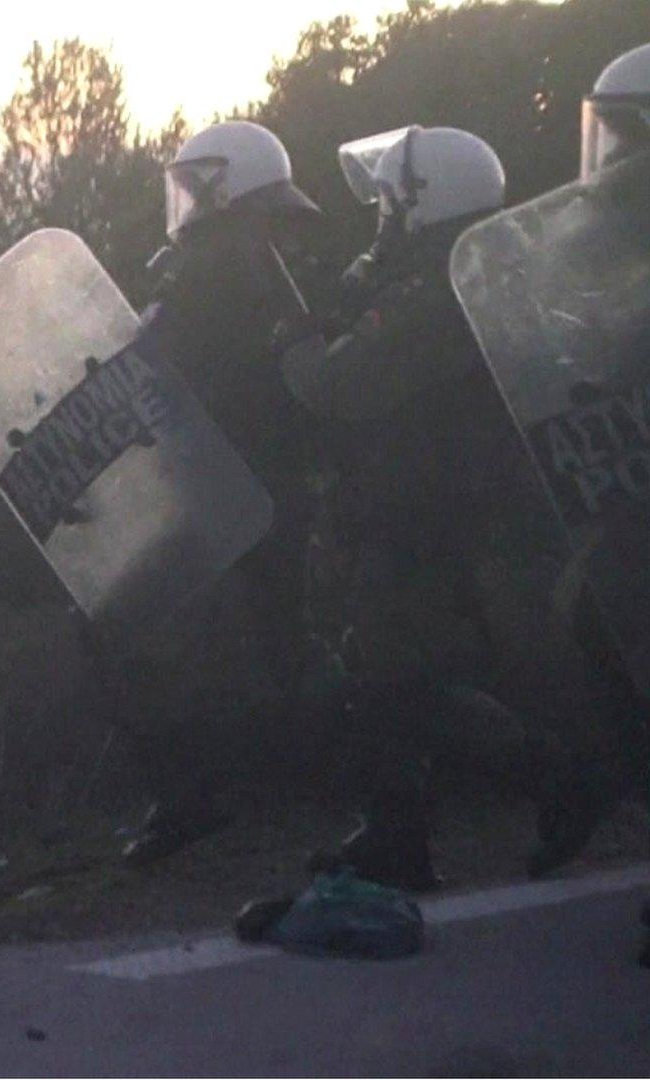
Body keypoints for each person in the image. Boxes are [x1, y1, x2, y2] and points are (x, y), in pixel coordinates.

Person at [293, 125, 613, 889]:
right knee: (390, 673)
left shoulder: (434, 292)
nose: (380, 217)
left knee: (388, 674)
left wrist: (295, 345)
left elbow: (345, 386)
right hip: (438, 509)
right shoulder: (465, 275)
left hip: (430, 514)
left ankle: (553, 777)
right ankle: (410, 832)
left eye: (387, 202)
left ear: (420, 204)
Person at [99, 120, 330, 866]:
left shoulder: (218, 264)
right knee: (276, 640)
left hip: (227, 488)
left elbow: (154, 358)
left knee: (121, 630)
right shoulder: (267, 257)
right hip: (263, 481)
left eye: (200, 187)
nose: (188, 202)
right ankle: (316, 782)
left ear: (230, 189)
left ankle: (194, 800)